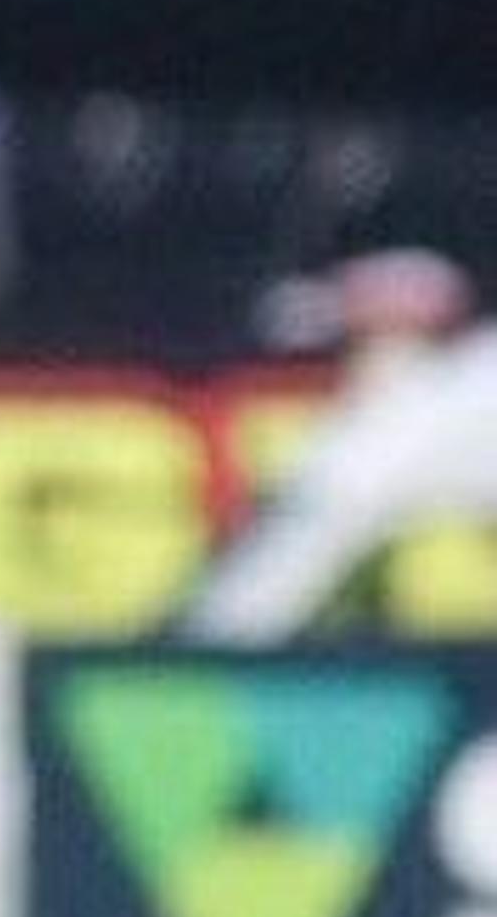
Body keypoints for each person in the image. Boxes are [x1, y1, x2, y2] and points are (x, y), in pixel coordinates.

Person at [185, 245, 497, 643]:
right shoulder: (420, 410)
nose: (352, 364)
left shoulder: (409, 424)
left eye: (366, 343)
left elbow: (250, 604)